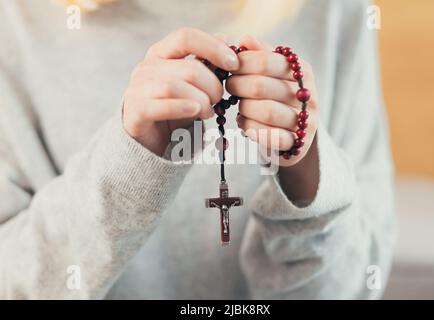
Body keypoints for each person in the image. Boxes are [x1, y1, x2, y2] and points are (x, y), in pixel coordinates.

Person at [0, 0, 396, 299]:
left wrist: (306, 175)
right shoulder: (16, 21)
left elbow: (361, 284)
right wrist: (127, 166)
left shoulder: (334, 12)